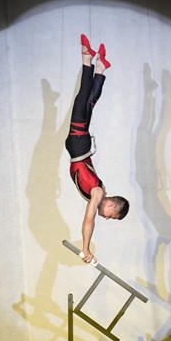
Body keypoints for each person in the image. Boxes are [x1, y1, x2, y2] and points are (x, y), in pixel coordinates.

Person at [64, 34, 129, 263]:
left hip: (79, 147)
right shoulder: (98, 193)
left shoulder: (99, 192)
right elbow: (88, 220)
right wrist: (86, 248)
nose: (107, 218)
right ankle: (87, 59)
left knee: (88, 103)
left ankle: (100, 68)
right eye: (112, 216)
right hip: (78, 145)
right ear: (111, 205)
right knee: (82, 99)